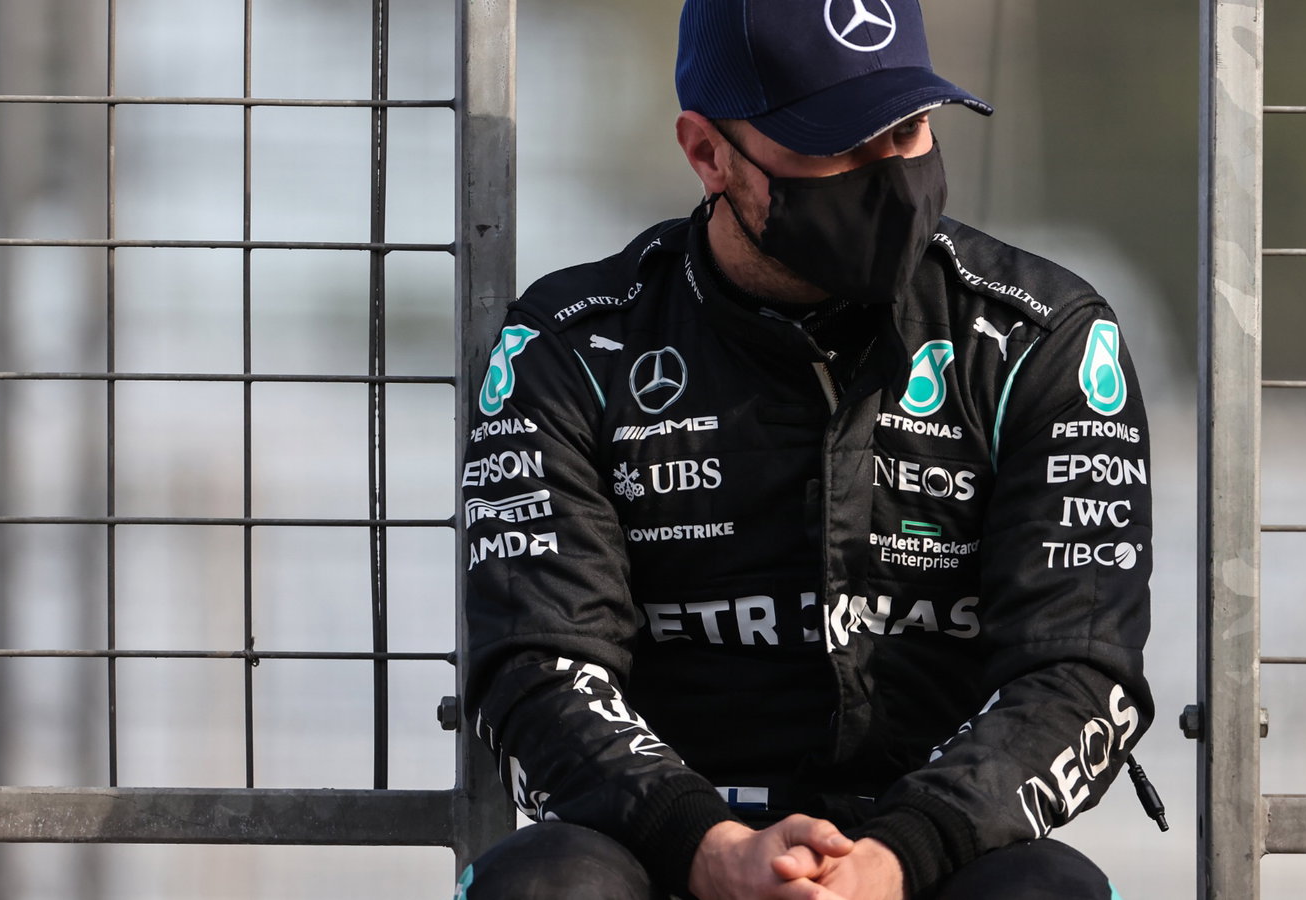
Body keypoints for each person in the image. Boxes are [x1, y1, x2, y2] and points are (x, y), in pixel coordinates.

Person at [459, 1, 1157, 897]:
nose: (889, 176)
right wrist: (711, 849)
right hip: (666, 852)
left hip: (934, 853)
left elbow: (1077, 664)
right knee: (545, 884)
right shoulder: (569, 349)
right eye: (838, 143)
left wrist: (898, 856)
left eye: (905, 130)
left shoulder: (1039, 338)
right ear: (707, 153)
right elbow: (535, 660)